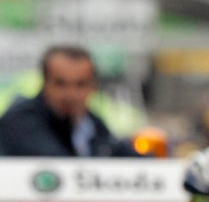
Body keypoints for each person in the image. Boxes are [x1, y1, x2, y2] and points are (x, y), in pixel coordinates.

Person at [0, 45, 140, 157]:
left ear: (93, 86)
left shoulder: (92, 124)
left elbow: (118, 152)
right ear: (44, 83)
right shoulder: (21, 120)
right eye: (61, 84)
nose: (70, 94)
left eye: (80, 84)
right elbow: (59, 165)